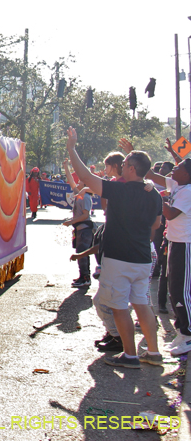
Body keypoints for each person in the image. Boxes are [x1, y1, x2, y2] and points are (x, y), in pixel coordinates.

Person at [67, 127, 162, 368]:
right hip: (143, 257)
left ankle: (130, 355)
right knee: (141, 304)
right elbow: (157, 224)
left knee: (119, 307)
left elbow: (86, 176)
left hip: (119, 258)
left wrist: (71, 148)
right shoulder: (154, 194)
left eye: (125, 163)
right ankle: (153, 351)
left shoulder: (119, 190)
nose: (122, 166)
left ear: (131, 169)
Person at [137, 159, 191, 355]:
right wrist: (135, 156)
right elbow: (151, 175)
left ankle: (188, 334)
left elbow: (170, 214)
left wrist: (156, 195)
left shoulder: (188, 191)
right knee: (173, 290)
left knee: (182, 290)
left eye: (179, 167)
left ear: (187, 174)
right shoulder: (177, 184)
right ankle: (182, 333)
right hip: (174, 242)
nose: (174, 168)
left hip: (186, 244)